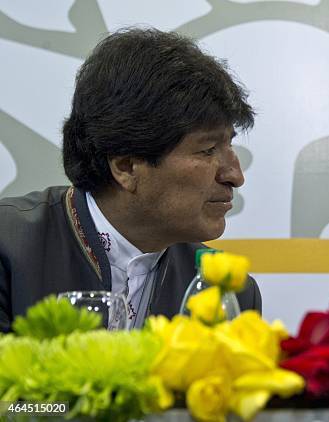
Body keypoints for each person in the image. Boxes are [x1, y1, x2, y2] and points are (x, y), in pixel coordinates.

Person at [0, 28, 262, 333]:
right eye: (207, 150)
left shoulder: (229, 293)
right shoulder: (8, 249)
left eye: (230, 144)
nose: (235, 175)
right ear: (126, 167)